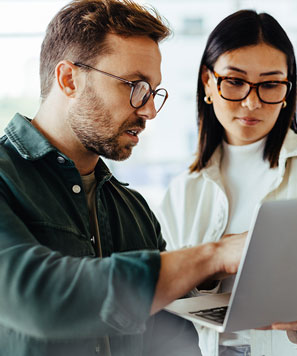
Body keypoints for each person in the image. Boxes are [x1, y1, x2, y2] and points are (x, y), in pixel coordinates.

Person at [0, 1, 250, 355]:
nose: (148, 110)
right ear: (69, 79)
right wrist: (212, 256)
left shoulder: (134, 210)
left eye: (152, 92)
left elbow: (171, 343)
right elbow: (38, 297)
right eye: (134, 85)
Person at [160, 10, 297, 356]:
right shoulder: (183, 191)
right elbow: (169, 307)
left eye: (269, 84)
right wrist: (203, 272)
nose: (252, 102)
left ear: (287, 90)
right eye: (234, 81)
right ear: (208, 81)